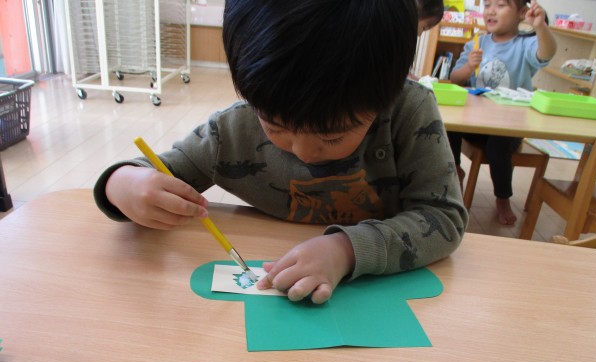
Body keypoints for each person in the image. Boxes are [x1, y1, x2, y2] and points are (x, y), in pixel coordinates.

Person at [94, 0, 468, 304]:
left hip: (380, 313)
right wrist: (121, 183)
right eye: (274, 126)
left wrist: (346, 250)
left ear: (387, 94)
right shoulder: (232, 131)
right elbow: (158, 172)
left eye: (332, 137)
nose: (303, 152)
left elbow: (443, 218)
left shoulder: (409, 114)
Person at [448, 0, 556, 225]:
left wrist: (540, 27)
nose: (491, 11)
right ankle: (455, 170)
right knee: (448, 126)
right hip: (475, 122)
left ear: (521, 12)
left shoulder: (525, 44)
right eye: (487, 5)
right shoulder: (477, 43)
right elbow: (455, 79)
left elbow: (546, 53)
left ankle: (503, 197)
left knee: (497, 147)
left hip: (508, 125)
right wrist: (468, 67)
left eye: (500, 5)